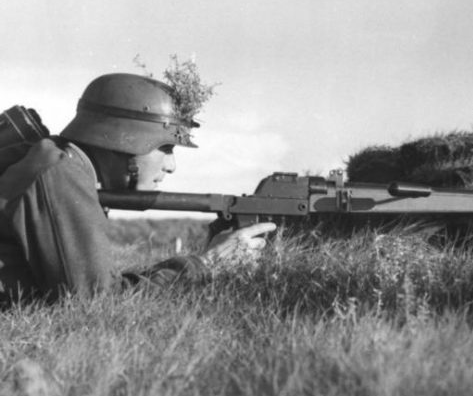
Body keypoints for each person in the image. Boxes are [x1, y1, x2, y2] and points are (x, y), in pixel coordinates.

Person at [0, 73, 275, 305]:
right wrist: (207, 264)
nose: (171, 166)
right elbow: (94, 303)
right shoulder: (60, 174)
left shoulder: (62, 163)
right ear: (127, 141)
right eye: (165, 148)